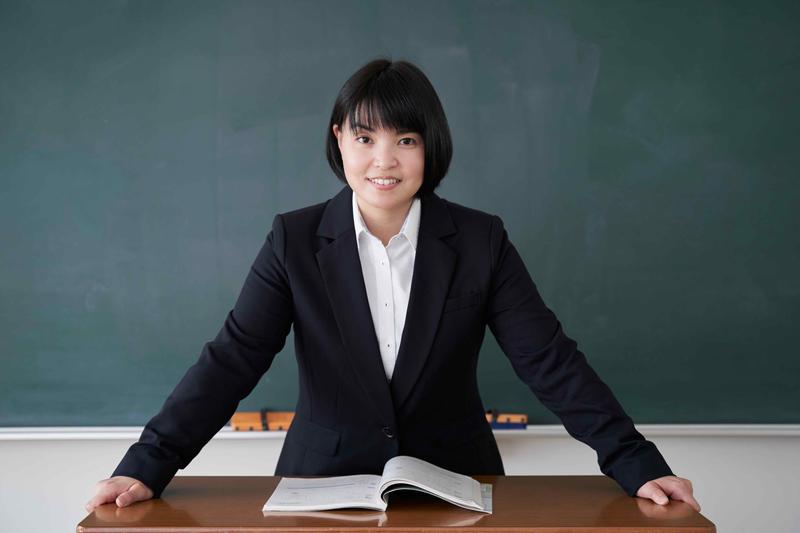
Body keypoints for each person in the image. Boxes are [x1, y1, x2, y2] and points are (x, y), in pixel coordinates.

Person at [86, 58, 701, 514]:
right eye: (365, 138)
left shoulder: (480, 240)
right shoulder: (293, 240)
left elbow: (550, 361)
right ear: (338, 139)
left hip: (455, 489)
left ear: (430, 147)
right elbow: (232, 360)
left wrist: (635, 461)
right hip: (321, 491)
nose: (384, 161)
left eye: (405, 140)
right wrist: (149, 463)